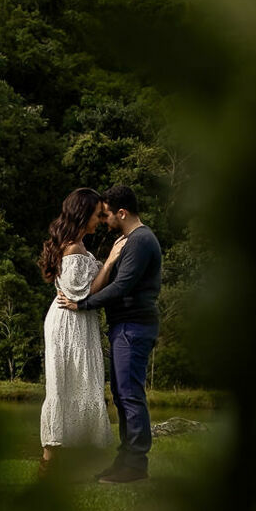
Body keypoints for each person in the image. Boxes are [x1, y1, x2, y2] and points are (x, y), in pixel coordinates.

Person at [57, 184, 162, 484]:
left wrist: (83, 303)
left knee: (129, 395)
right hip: (124, 327)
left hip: (134, 327)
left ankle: (135, 465)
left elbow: (121, 287)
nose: (103, 221)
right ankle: (125, 460)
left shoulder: (140, 241)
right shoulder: (129, 240)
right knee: (121, 394)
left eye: (106, 215)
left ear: (122, 212)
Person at [38, 188, 118, 475]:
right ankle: (48, 464)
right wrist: (109, 261)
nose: (101, 219)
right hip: (67, 325)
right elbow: (81, 294)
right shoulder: (72, 248)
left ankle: (72, 463)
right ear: (83, 214)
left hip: (79, 323)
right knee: (64, 385)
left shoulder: (79, 246)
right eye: (98, 215)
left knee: (81, 384)